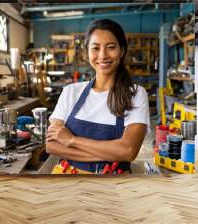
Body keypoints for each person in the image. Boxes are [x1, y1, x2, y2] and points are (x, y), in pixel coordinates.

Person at [46, 19, 150, 174]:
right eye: (95, 48)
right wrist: (110, 154)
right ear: (87, 53)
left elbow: (128, 151)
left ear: (122, 51)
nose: (102, 55)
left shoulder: (135, 94)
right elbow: (51, 145)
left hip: (113, 185)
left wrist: (72, 140)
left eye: (111, 47)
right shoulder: (70, 92)